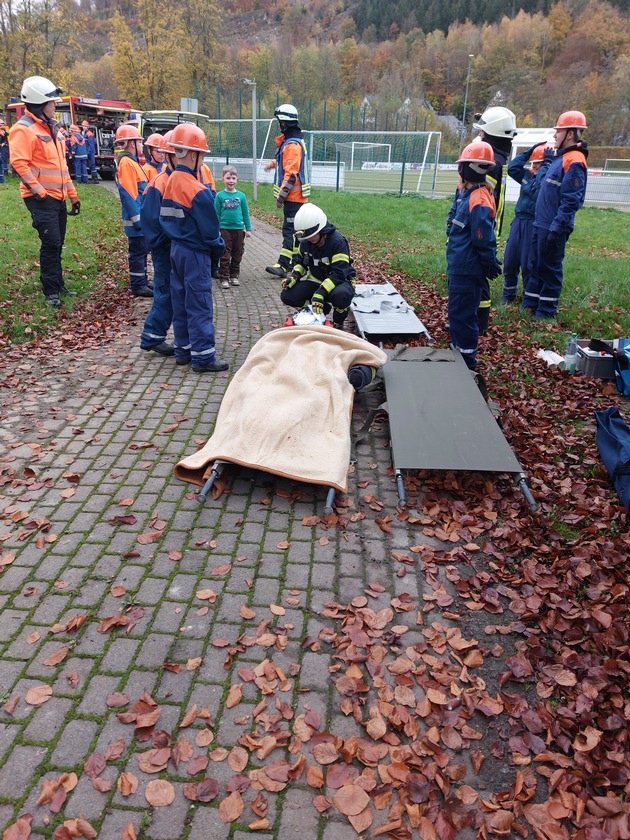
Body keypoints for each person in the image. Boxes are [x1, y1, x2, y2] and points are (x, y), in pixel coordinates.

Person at [159, 123, 227, 372]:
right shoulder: (198, 191)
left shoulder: (171, 180)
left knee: (180, 301)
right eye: (202, 155)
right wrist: (219, 250)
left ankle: (183, 351)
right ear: (192, 154)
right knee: (199, 304)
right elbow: (211, 232)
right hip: (196, 254)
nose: (203, 160)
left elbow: (164, 218)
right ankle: (203, 357)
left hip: (176, 250)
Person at [9, 75, 80, 308]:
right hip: (41, 198)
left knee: (57, 243)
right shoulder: (24, 129)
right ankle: (50, 290)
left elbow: (61, 167)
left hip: (57, 197)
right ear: (40, 104)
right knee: (51, 242)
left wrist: (73, 196)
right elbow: (19, 164)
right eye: (52, 102)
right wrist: (40, 192)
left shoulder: (53, 129)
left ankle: (58, 284)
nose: (55, 106)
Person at [522, 111, 588, 320]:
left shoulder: (575, 161)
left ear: (569, 134)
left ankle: (547, 312)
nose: (555, 135)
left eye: (558, 131)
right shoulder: (561, 158)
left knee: (549, 267)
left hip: (553, 225)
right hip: (541, 222)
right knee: (535, 264)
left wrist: (558, 226)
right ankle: (531, 303)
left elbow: (572, 200)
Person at [446, 141, 501, 371]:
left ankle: (466, 362)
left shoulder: (478, 198)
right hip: (461, 266)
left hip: (467, 269)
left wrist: (489, 262)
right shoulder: (470, 194)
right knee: (458, 314)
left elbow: (482, 237)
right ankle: (459, 353)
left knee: (463, 316)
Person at [470, 106, 518, 332]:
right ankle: (477, 321)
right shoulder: (498, 159)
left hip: (481, 229)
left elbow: (479, 197)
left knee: (477, 279)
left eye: (482, 132)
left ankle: (477, 323)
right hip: (487, 228)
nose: (478, 136)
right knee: (479, 278)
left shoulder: (490, 162)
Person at [280, 203, 356, 329]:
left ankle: (338, 321)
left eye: (311, 236)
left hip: (339, 282)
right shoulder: (306, 242)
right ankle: (322, 308)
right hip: (316, 281)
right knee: (287, 295)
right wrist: (294, 277)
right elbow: (301, 263)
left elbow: (339, 273)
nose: (308, 240)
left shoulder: (337, 242)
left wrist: (321, 292)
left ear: (321, 229)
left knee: (341, 296)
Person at [500, 142, 553, 304]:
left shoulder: (546, 178)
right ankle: (508, 295)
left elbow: (539, 186)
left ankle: (529, 298)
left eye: (538, 162)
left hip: (533, 223)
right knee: (510, 260)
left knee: (528, 263)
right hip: (519, 222)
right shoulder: (527, 175)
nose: (534, 165)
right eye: (534, 161)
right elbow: (512, 168)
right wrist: (528, 152)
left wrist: (546, 166)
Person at [264, 104, 311, 279]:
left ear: (285, 123)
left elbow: (291, 175)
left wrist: (280, 197)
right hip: (297, 198)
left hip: (293, 198)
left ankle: (284, 266)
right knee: (296, 231)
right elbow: (285, 161)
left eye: (280, 121)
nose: (279, 124)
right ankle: (296, 263)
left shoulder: (292, 144)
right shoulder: (293, 142)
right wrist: (272, 165)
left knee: (289, 231)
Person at [140, 132, 175, 357]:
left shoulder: (175, 180)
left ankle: (154, 334)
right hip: (165, 249)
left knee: (170, 291)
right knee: (165, 291)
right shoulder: (160, 183)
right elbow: (152, 221)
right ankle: (152, 335)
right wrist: (163, 243)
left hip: (172, 247)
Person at [114, 123, 153, 298]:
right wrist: (138, 220)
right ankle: (138, 285)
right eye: (139, 142)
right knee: (137, 253)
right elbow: (129, 194)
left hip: (140, 220)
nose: (141, 145)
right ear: (131, 144)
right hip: (136, 221)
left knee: (142, 251)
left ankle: (143, 281)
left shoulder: (131, 162)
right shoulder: (127, 163)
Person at [214, 165, 252, 289]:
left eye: (233, 178)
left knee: (237, 253)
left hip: (239, 230)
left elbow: (245, 213)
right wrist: (217, 229)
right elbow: (216, 214)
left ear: (237, 180)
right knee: (225, 254)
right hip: (224, 229)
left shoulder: (241, 196)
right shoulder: (220, 196)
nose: (231, 180)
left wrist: (249, 228)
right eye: (228, 178)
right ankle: (224, 277)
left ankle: (234, 275)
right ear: (223, 179)